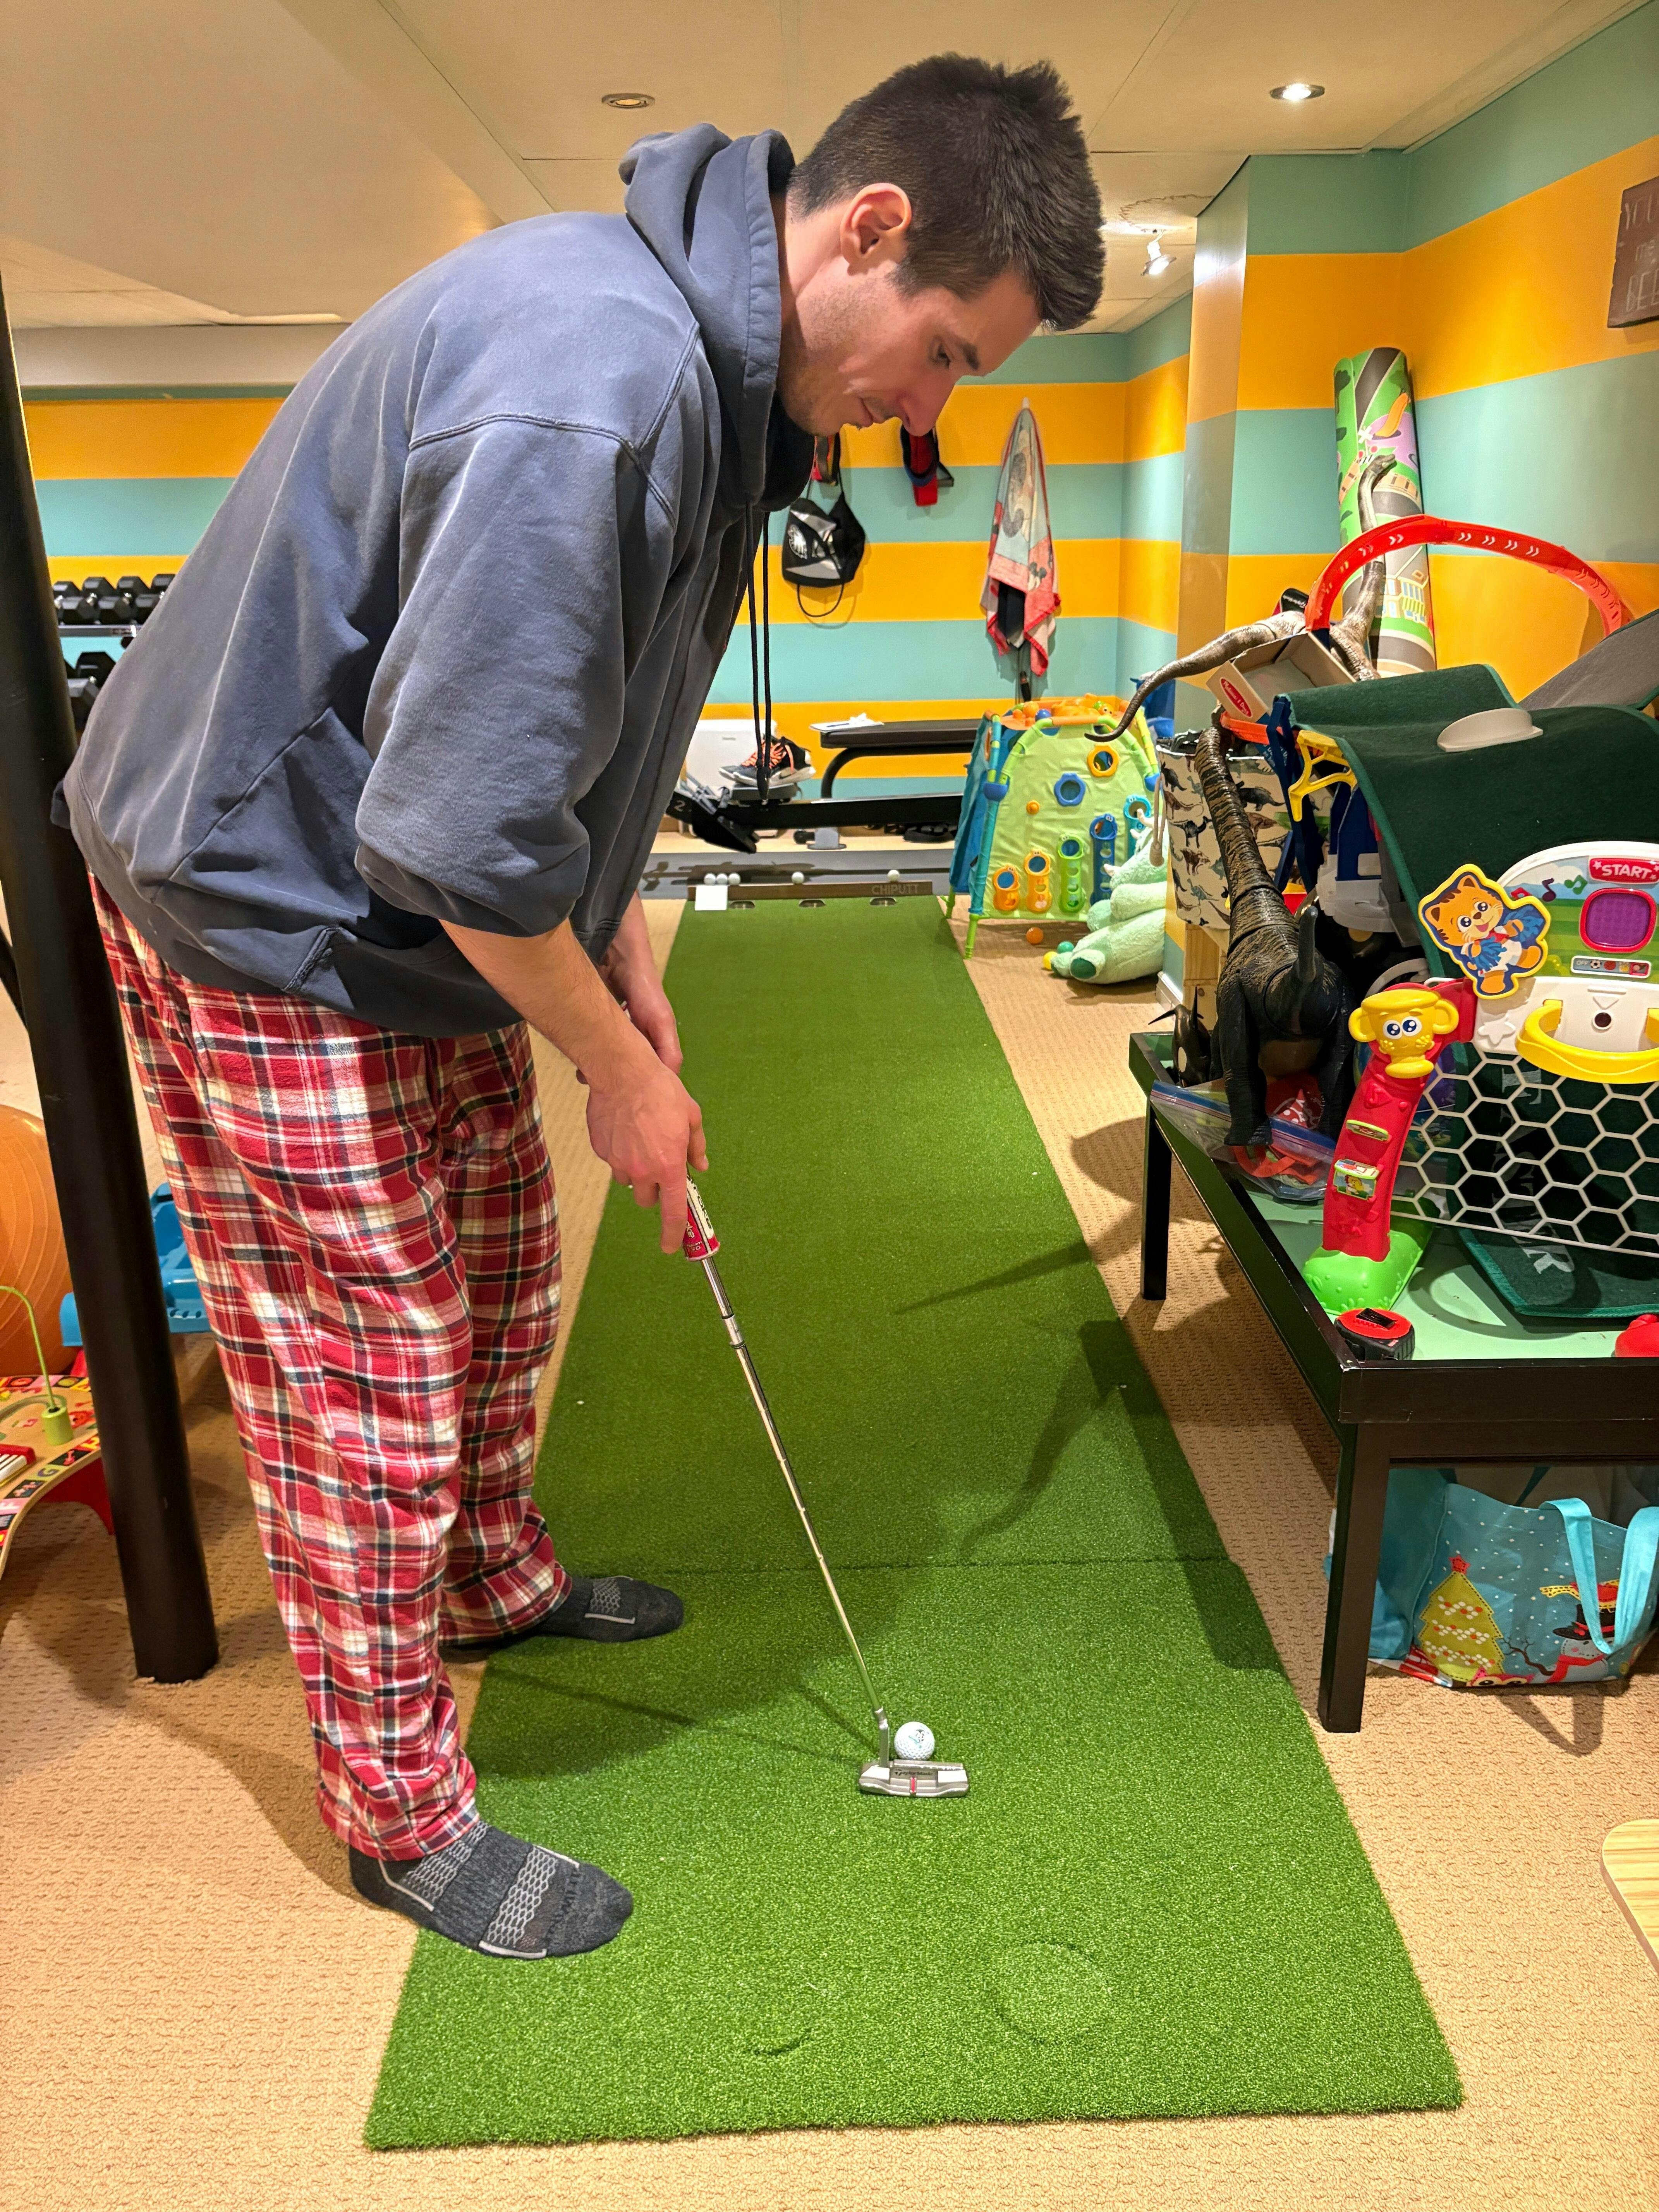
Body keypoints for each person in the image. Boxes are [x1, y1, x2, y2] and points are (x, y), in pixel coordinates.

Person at [62, 54, 1103, 1960]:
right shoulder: (597, 383)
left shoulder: (720, 379)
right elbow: (462, 840)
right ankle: (397, 1810)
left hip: (401, 880)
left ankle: (486, 1576)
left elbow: (565, 736)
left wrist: (612, 932)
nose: (931, 408)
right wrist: (618, 1065)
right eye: (948, 352)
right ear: (868, 231)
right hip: (259, 888)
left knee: (502, 1241)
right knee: (372, 1350)